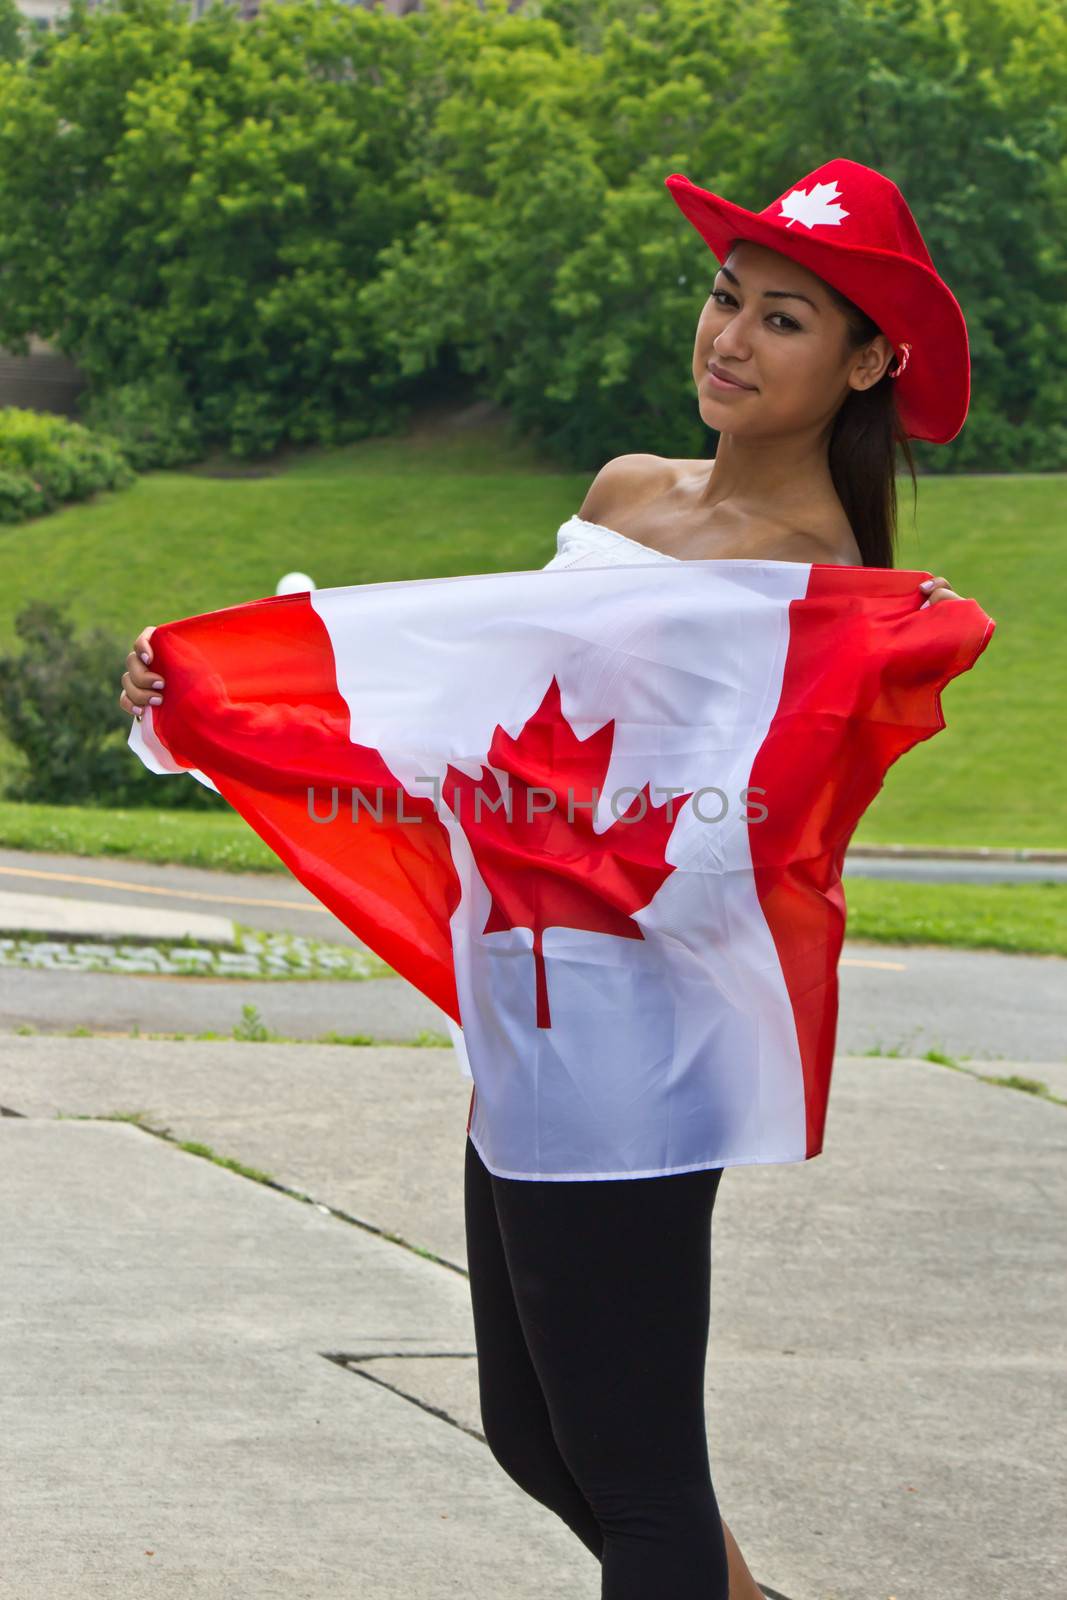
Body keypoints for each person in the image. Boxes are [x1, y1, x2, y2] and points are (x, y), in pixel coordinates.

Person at [120, 157, 975, 1599]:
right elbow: (480, 715)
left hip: (640, 1041)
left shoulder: (811, 590)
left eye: (783, 320)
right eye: (724, 299)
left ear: (868, 360)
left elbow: (722, 831)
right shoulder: (627, 494)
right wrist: (231, 695)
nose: (728, 336)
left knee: (639, 1484)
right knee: (532, 1436)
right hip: (528, 1010)